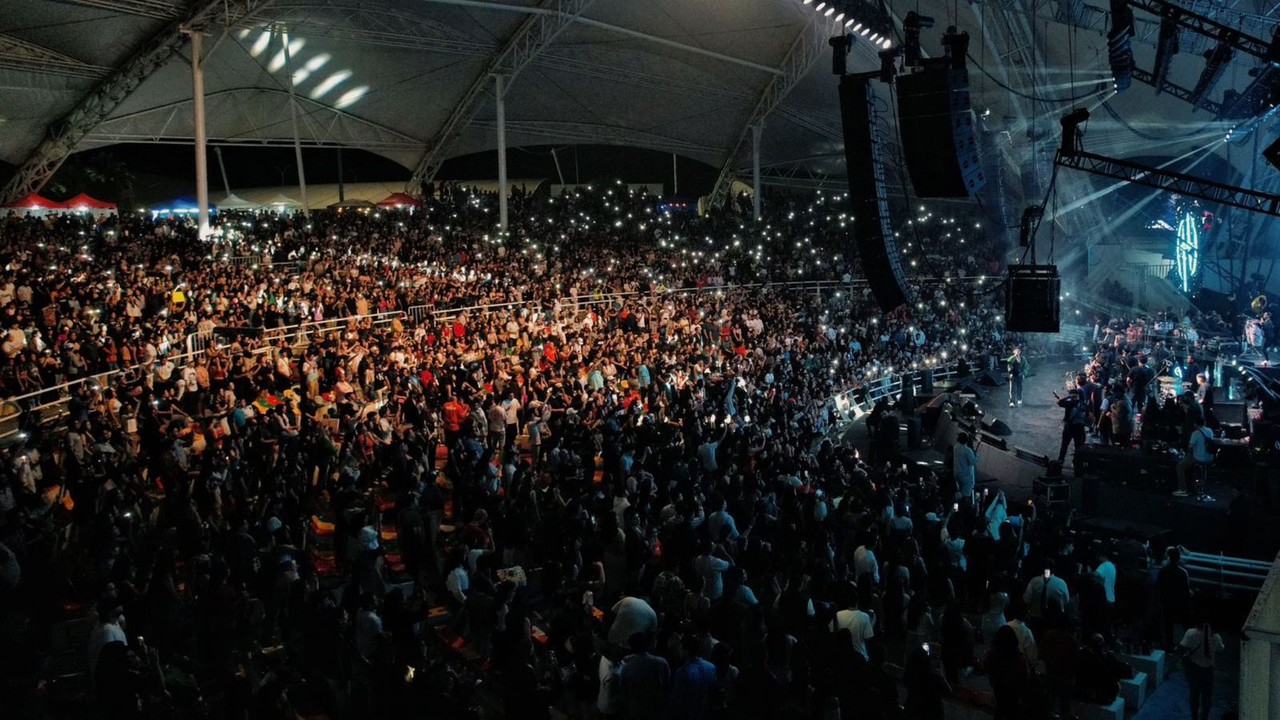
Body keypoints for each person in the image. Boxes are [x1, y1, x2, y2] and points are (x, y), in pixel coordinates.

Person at [1171, 616, 1224, 720]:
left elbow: (1183, 647)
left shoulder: (1191, 633)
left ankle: (1194, 717)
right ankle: (1204, 717)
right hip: (1208, 670)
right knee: (1207, 698)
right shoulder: (1216, 637)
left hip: (1194, 669)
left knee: (1194, 694)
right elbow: (1221, 650)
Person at [668, 632, 717, 720]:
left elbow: (676, 699)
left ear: (686, 650)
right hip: (705, 713)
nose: (679, 651)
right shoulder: (711, 667)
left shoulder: (683, 671)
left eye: (680, 648)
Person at [1157, 547, 1193, 651]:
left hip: (1166, 602)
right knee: (1186, 624)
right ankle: (1189, 645)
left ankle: (1169, 645)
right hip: (1179, 603)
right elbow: (1186, 592)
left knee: (1168, 624)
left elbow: (1159, 587)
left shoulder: (1163, 571)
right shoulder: (1183, 572)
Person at [1174, 416, 1214, 497]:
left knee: (1180, 466)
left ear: (1195, 424)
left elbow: (1190, 447)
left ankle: (1182, 489)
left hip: (1198, 458)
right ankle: (1202, 483)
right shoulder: (1210, 430)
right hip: (1210, 457)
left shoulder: (1195, 433)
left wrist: (1186, 456)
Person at [1055, 378, 1090, 465]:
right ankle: (1078, 464)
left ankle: (1060, 462)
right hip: (1080, 428)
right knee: (1078, 446)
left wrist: (1068, 398)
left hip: (1069, 427)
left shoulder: (1069, 402)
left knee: (1064, 445)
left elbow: (1060, 403)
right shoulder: (1084, 404)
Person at [952, 432, 977, 505]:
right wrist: (977, 456)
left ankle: (956, 507)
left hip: (957, 473)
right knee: (965, 494)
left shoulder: (955, 447)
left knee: (958, 492)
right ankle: (963, 507)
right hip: (966, 476)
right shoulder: (968, 451)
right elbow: (972, 462)